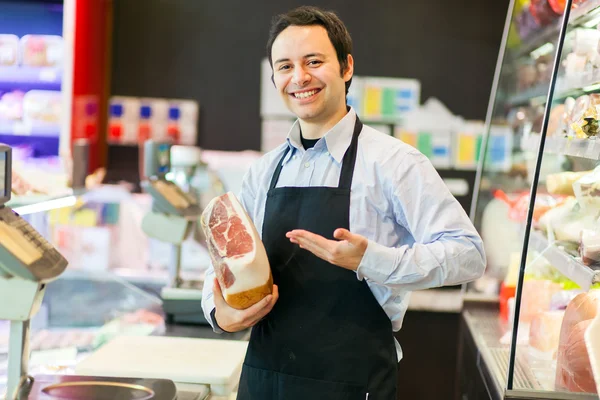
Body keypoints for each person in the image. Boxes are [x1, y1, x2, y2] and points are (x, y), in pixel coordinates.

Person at [201, 5, 485, 399]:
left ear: (346, 67)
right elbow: (220, 264)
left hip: (353, 383)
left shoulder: (394, 163)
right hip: (265, 381)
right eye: (284, 67)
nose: (299, 77)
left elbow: (468, 254)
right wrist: (221, 314)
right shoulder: (263, 171)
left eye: (313, 61)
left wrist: (371, 260)